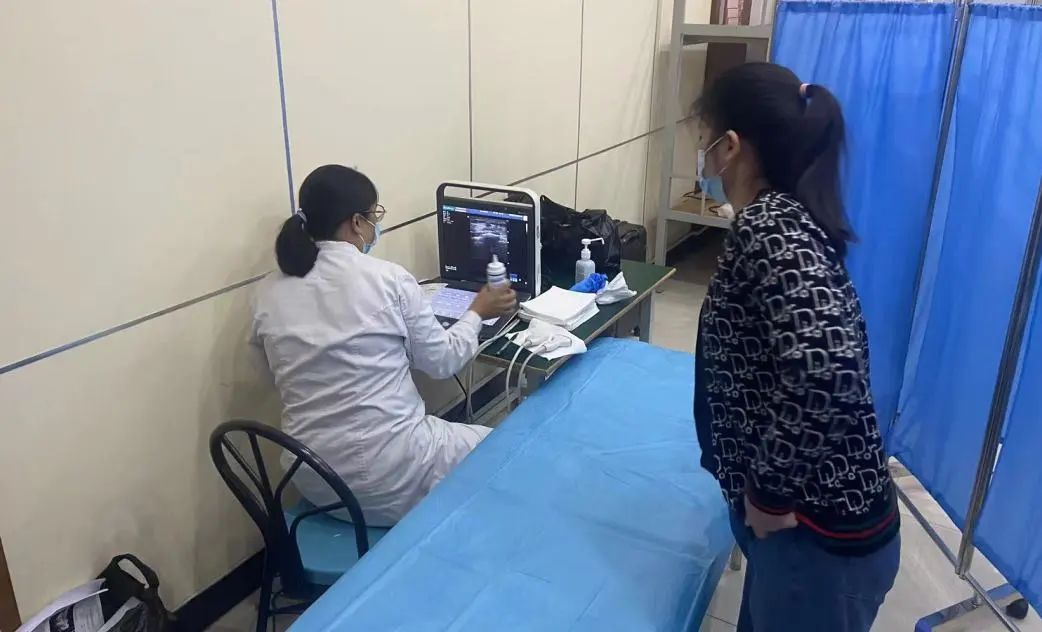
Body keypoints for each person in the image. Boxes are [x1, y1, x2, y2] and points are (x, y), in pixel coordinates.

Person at [691, 63, 900, 632]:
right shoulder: (783, 218)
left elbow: (829, 370)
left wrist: (770, 493)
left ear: (730, 146)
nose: (702, 158)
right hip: (803, 534)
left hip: (816, 538)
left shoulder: (771, 226)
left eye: (705, 140)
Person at [250, 164, 517, 526]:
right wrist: (477, 312)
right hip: (392, 476)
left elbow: (276, 373)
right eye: (374, 215)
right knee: (512, 448)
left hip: (316, 480)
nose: (376, 224)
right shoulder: (387, 279)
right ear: (356, 223)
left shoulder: (267, 291)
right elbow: (442, 362)